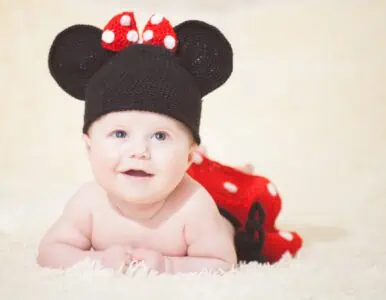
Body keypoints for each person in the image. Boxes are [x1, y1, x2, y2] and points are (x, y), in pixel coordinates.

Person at [37, 11, 302, 274]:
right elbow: (50, 250)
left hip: (220, 201)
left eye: (160, 136)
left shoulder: (194, 206)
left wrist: (169, 265)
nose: (139, 151)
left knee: (243, 198)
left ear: (188, 156)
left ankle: (221, 169)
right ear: (89, 147)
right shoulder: (89, 202)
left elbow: (222, 263)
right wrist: (97, 261)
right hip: (177, 174)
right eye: (120, 134)